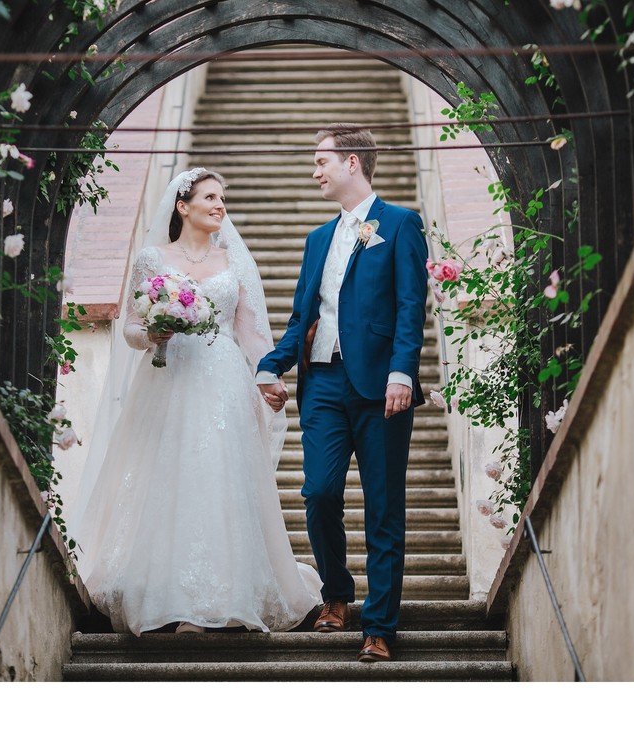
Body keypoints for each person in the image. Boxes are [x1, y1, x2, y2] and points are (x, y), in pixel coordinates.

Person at [70, 167, 322, 636]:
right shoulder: (152, 259)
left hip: (224, 380)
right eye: (209, 197)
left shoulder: (233, 263)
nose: (219, 205)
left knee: (219, 478)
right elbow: (129, 329)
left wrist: (267, 377)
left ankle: (224, 597)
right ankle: (164, 593)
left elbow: (249, 332)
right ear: (182, 206)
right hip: (167, 380)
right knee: (165, 476)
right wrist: (152, 334)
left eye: (222, 198)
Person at [256, 124, 428, 662]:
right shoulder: (316, 240)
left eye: (321, 161)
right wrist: (271, 363)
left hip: (380, 387)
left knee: (383, 507)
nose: (315, 172)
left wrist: (402, 372)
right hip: (324, 383)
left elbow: (409, 306)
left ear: (351, 162)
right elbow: (302, 317)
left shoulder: (400, 225)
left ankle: (378, 626)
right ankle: (336, 594)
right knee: (319, 492)